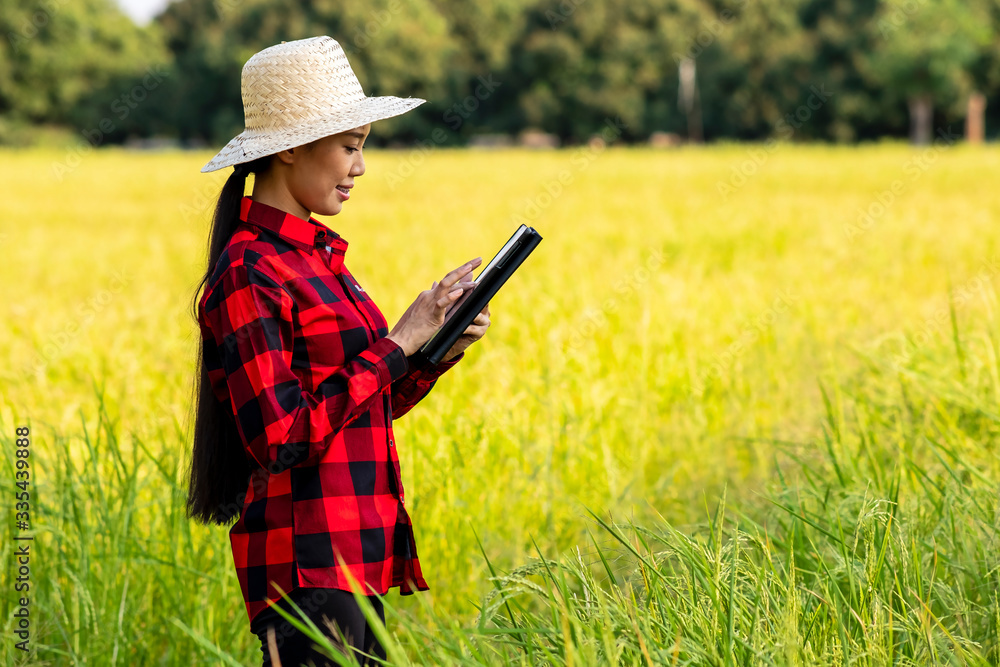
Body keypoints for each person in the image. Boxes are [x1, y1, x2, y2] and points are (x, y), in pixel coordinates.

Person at [184, 36, 491, 667]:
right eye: (350, 147)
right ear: (291, 148)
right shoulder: (251, 272)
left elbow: (365, 406)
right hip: (306, 563)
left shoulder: (318, 262)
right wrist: (397, 342)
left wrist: (433, 350)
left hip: (355, 552)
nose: (360, 168)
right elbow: (283, 437)